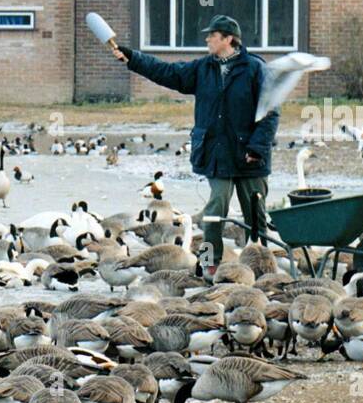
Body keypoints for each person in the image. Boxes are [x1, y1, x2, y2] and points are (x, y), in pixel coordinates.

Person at [114, 15, 278, 278]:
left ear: (228, 39)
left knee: (255, 217)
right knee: (214, 210)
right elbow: (166, 72)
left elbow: (271, 113)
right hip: (217, 155)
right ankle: (208, 266)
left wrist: (256, 149)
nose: (207, 39)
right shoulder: (203, 69)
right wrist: (133, 59)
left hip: (250, 159)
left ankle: (261, 269)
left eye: (212, 35)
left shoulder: (256, 69)